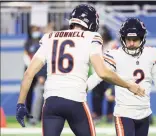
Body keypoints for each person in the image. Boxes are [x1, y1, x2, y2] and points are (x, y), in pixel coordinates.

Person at [16, 4, 145, 136]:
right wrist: (129, 85)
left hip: (51, 102)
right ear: (91, 23)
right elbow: (102, 72)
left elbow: (28, 74)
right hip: (75, 101)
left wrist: (20, 104)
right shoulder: (91, 37)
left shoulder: (49, 37)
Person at [87, 18, 156, 136]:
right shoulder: (115, 55)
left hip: (144, 113)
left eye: (135, 39)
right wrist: (83, 88)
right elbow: (98, 75)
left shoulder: (150, 54)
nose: (131, 43)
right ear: (123, 38)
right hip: (124, 113)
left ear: (142, 38)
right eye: (128, 39)